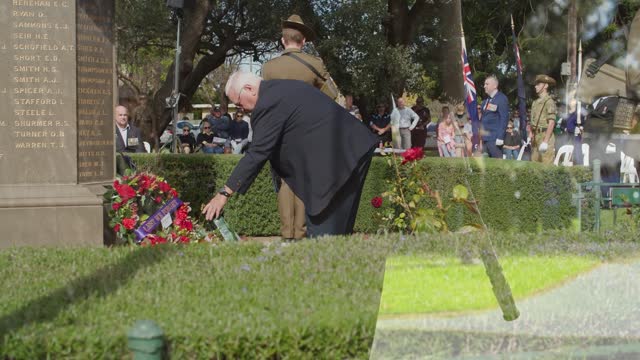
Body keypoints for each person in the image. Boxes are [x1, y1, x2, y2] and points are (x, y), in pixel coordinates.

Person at [202, 72, 378, 237]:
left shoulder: (267, 102)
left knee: (323, 239)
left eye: (239, 102)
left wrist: (224, 193)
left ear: (249, 88)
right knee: (337, 236)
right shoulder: (279, 89)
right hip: (353, 150)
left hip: (337, 163)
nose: (240, 108)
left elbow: (257, 153)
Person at [261, 14, 338, 240]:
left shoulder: (268, 68)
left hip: (279, 132)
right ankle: (301, 233)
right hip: (307, 132)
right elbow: (332, 96)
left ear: (283, 41)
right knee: (303, 179)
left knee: (285, 181)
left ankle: (287, 235)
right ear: (303, 41)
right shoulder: (315, 65)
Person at [480, 75, 510, 158]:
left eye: (487, 84)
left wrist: (500, 137)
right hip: (485, 138)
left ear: (495, 86)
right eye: (484, 84)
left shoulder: (501, 99)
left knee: (497, 165)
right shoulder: (486, 101)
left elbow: (504, 119)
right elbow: (483, 118)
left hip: (495, 138)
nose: (484, 86)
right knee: (486, 166)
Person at [530, 74, 557, 164]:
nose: (535, 86)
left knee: (546, 165)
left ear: (545, 86)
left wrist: (545, 141)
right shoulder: (535, 102)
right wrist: (531, 133)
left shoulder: (549, 102)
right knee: (534, 165)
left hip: (545, 135)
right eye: (536, 84)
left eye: (538, 84)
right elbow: (532, 120)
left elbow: (551, 123)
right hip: (535, 136)